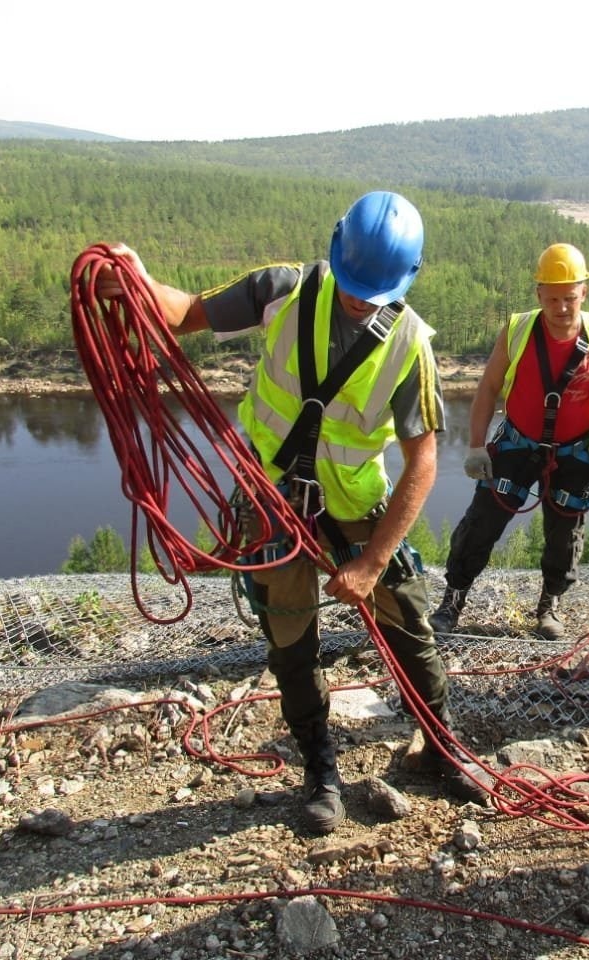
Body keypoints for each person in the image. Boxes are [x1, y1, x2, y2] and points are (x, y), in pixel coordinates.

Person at [93, 191, 489, 835]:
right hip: (273, 498)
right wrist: (135, 283)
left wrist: (371, 560)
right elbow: (187, 312)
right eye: (356, 286)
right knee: (290, 640)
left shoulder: (410, 345)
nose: (362, 299)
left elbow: (422, 465)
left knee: (407, 621)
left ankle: (441, 745)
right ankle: (319, 768)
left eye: (375, 291)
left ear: (407, 279)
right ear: (336, 253)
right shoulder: (283, 289)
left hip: (356, 504)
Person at [428, 243, 589, 641]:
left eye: (569, 298)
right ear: (538, 293)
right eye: (552, 298)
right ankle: (452, 600)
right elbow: (488, 389)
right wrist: (475, 446)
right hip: (517, 444)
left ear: (584, 293)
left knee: (564, 534)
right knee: (482, 522)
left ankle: (550, 605)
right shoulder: (519, 330)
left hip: (574, 451)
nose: (561, 308)